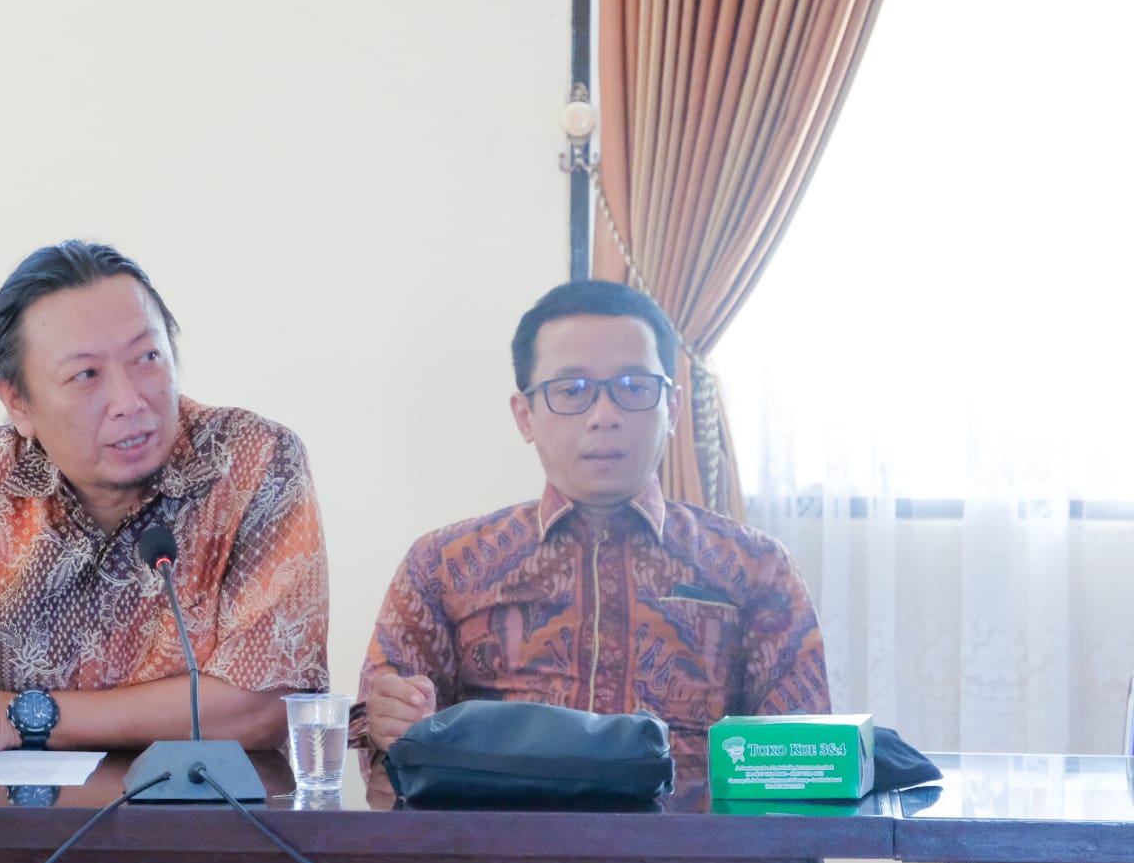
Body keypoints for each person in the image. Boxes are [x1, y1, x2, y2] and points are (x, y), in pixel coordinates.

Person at [0, 240, 330, 780]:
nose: (130, 401)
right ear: (18, 401)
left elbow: (265, 705)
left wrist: (14, 717)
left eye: (147, 357)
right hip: (0, 822)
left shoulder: (254, 461)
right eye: (86, 375)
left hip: (197, 818)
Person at [355, 279, 829, 763]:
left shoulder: (757, 567)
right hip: (501, 814)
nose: (605, 416)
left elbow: (805, 763)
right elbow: (381, 742)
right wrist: (388, 722)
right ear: (525, 415)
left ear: (673, 409)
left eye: (634, 387)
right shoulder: (442, 566)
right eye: (572, 390)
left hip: (694, 816)